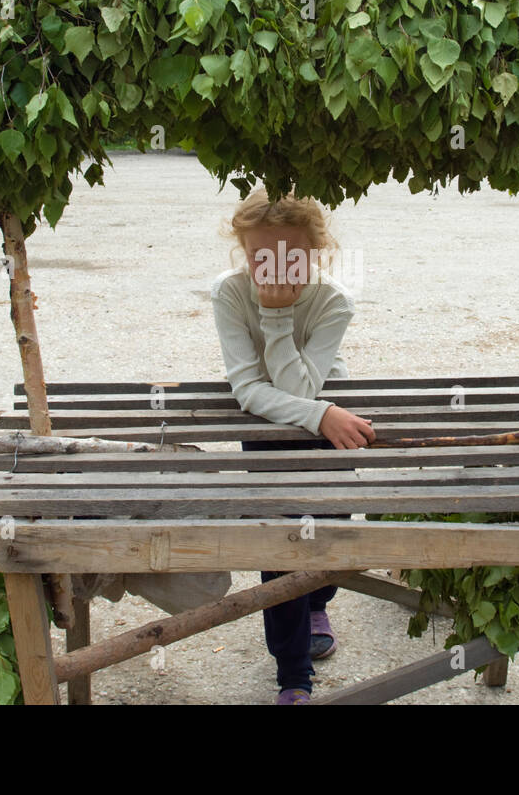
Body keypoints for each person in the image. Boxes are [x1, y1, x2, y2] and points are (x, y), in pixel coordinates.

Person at [210, 186, 376, 705]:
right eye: (262, 256)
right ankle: (293, 673)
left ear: (316, 249)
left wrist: (280, 317)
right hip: (269, 423)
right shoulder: (230, 292)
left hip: (324, 413)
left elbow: (303, 387)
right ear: (244, 251)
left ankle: (318, 598)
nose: (276, 268)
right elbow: (249, 389)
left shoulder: (333, 300)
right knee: (281, 540)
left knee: (328, 529)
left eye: (291, 255)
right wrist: (320, 414)